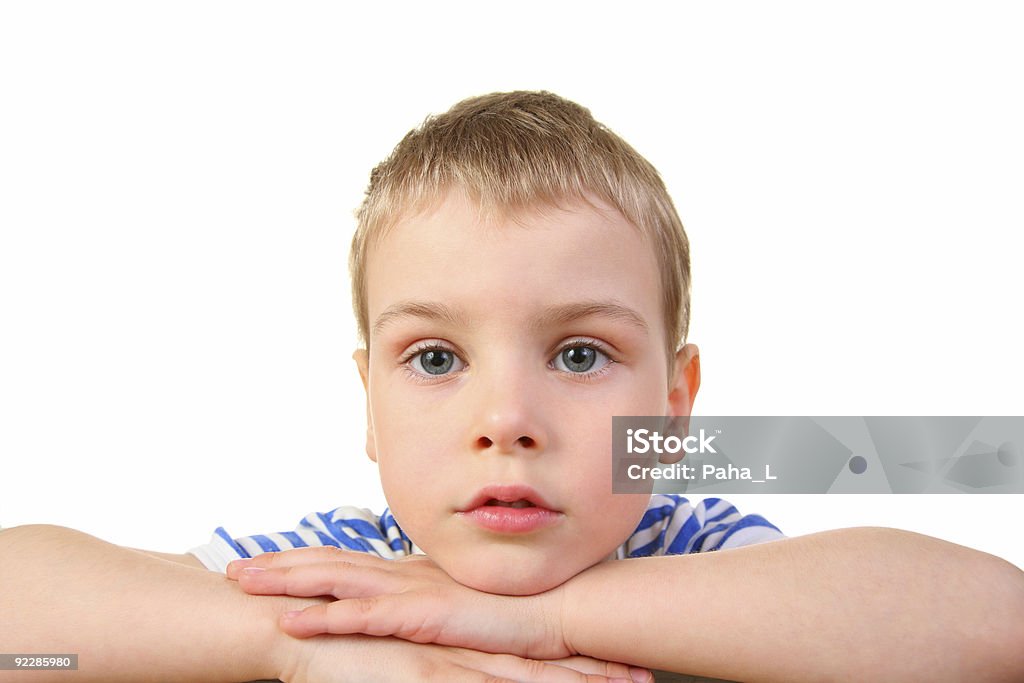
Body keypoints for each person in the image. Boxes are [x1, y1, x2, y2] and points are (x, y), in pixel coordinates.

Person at [1, 91, 1022, 683]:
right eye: (435, 359)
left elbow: (991, 623)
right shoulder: (353, 571)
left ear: (672, 406)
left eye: (578, 354)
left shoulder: (691, 550)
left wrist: (552, 619)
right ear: (368, 403)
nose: (506, 421)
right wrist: (295, 642)